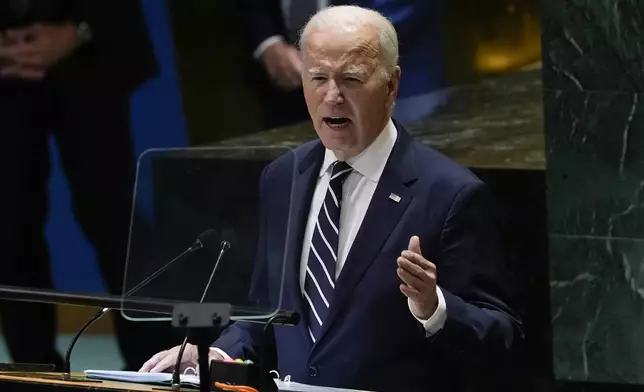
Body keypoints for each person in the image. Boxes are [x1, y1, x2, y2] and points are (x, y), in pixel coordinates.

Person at [140, 5, 522, 390]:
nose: (333, 96)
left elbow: (500, 336)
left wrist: (434, 308)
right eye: (318, 77)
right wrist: (216, 354)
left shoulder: (449, 193)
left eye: (351, 79)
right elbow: (266, 314)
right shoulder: (283, 177)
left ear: (392, 85)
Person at [0, 0, 177, 370]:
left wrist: (80, 28)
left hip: (91, 55)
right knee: (9, 224)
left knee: (113, 217)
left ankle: (151, 367)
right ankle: (31, 372)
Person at [237, 0, 448, 130]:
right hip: (288, 99)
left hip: (393, 94)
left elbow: (399, 11)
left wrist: (326, 56)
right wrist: (268, 43)